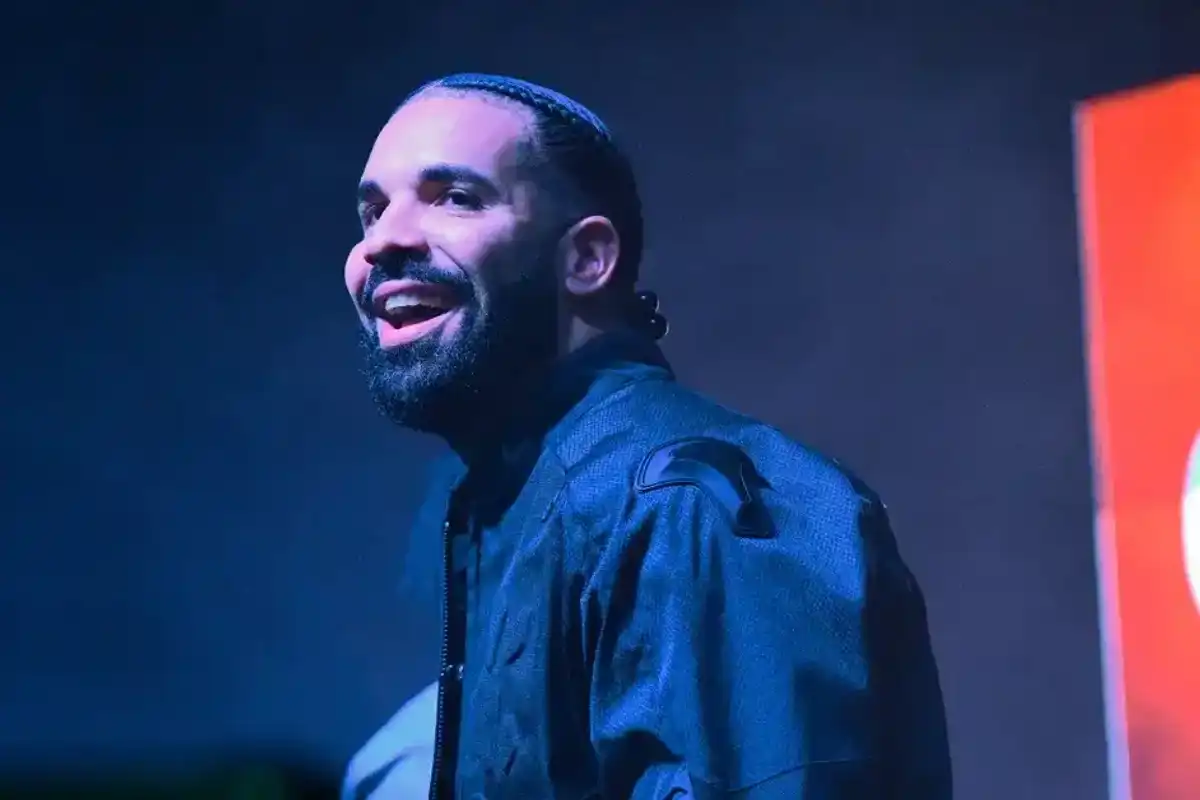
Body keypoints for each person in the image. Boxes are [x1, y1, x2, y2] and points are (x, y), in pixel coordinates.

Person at [340, 72, 952, 799]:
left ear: (587, 259)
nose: (384, 241)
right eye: (372, 212)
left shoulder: (690, 506)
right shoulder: (531, 510)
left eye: (455, 197)